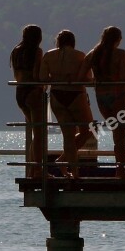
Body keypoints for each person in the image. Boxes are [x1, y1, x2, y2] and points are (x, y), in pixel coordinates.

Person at [78, 26, 125, 179]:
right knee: (120, 135)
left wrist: (96, 81)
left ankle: (123, 166)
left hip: (101, 97)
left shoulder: (93, 54)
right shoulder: (121, 54)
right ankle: (121, 170)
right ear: (118, 39)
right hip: (119, 95)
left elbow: (81, 76)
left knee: (115, 132)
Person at [40, 30, 95, 178]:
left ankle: (72, 170)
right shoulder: (80, 55)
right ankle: (65, 162)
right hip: (76, 94)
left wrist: (57, 79)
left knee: (68, 136)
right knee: (88, 129)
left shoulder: (48, 56)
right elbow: (87, 78)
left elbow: (43, 78)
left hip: (57, 95)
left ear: (58, 42)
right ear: (73, 41)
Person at [11, 25, 47, 178]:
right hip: (33, 91)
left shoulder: (16, 51)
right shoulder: (37, 51)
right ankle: (37, 170)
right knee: (39, 134)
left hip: (20, 92)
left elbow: (16, 75)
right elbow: (37, 74)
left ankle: (33, 169)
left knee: (35, 132)